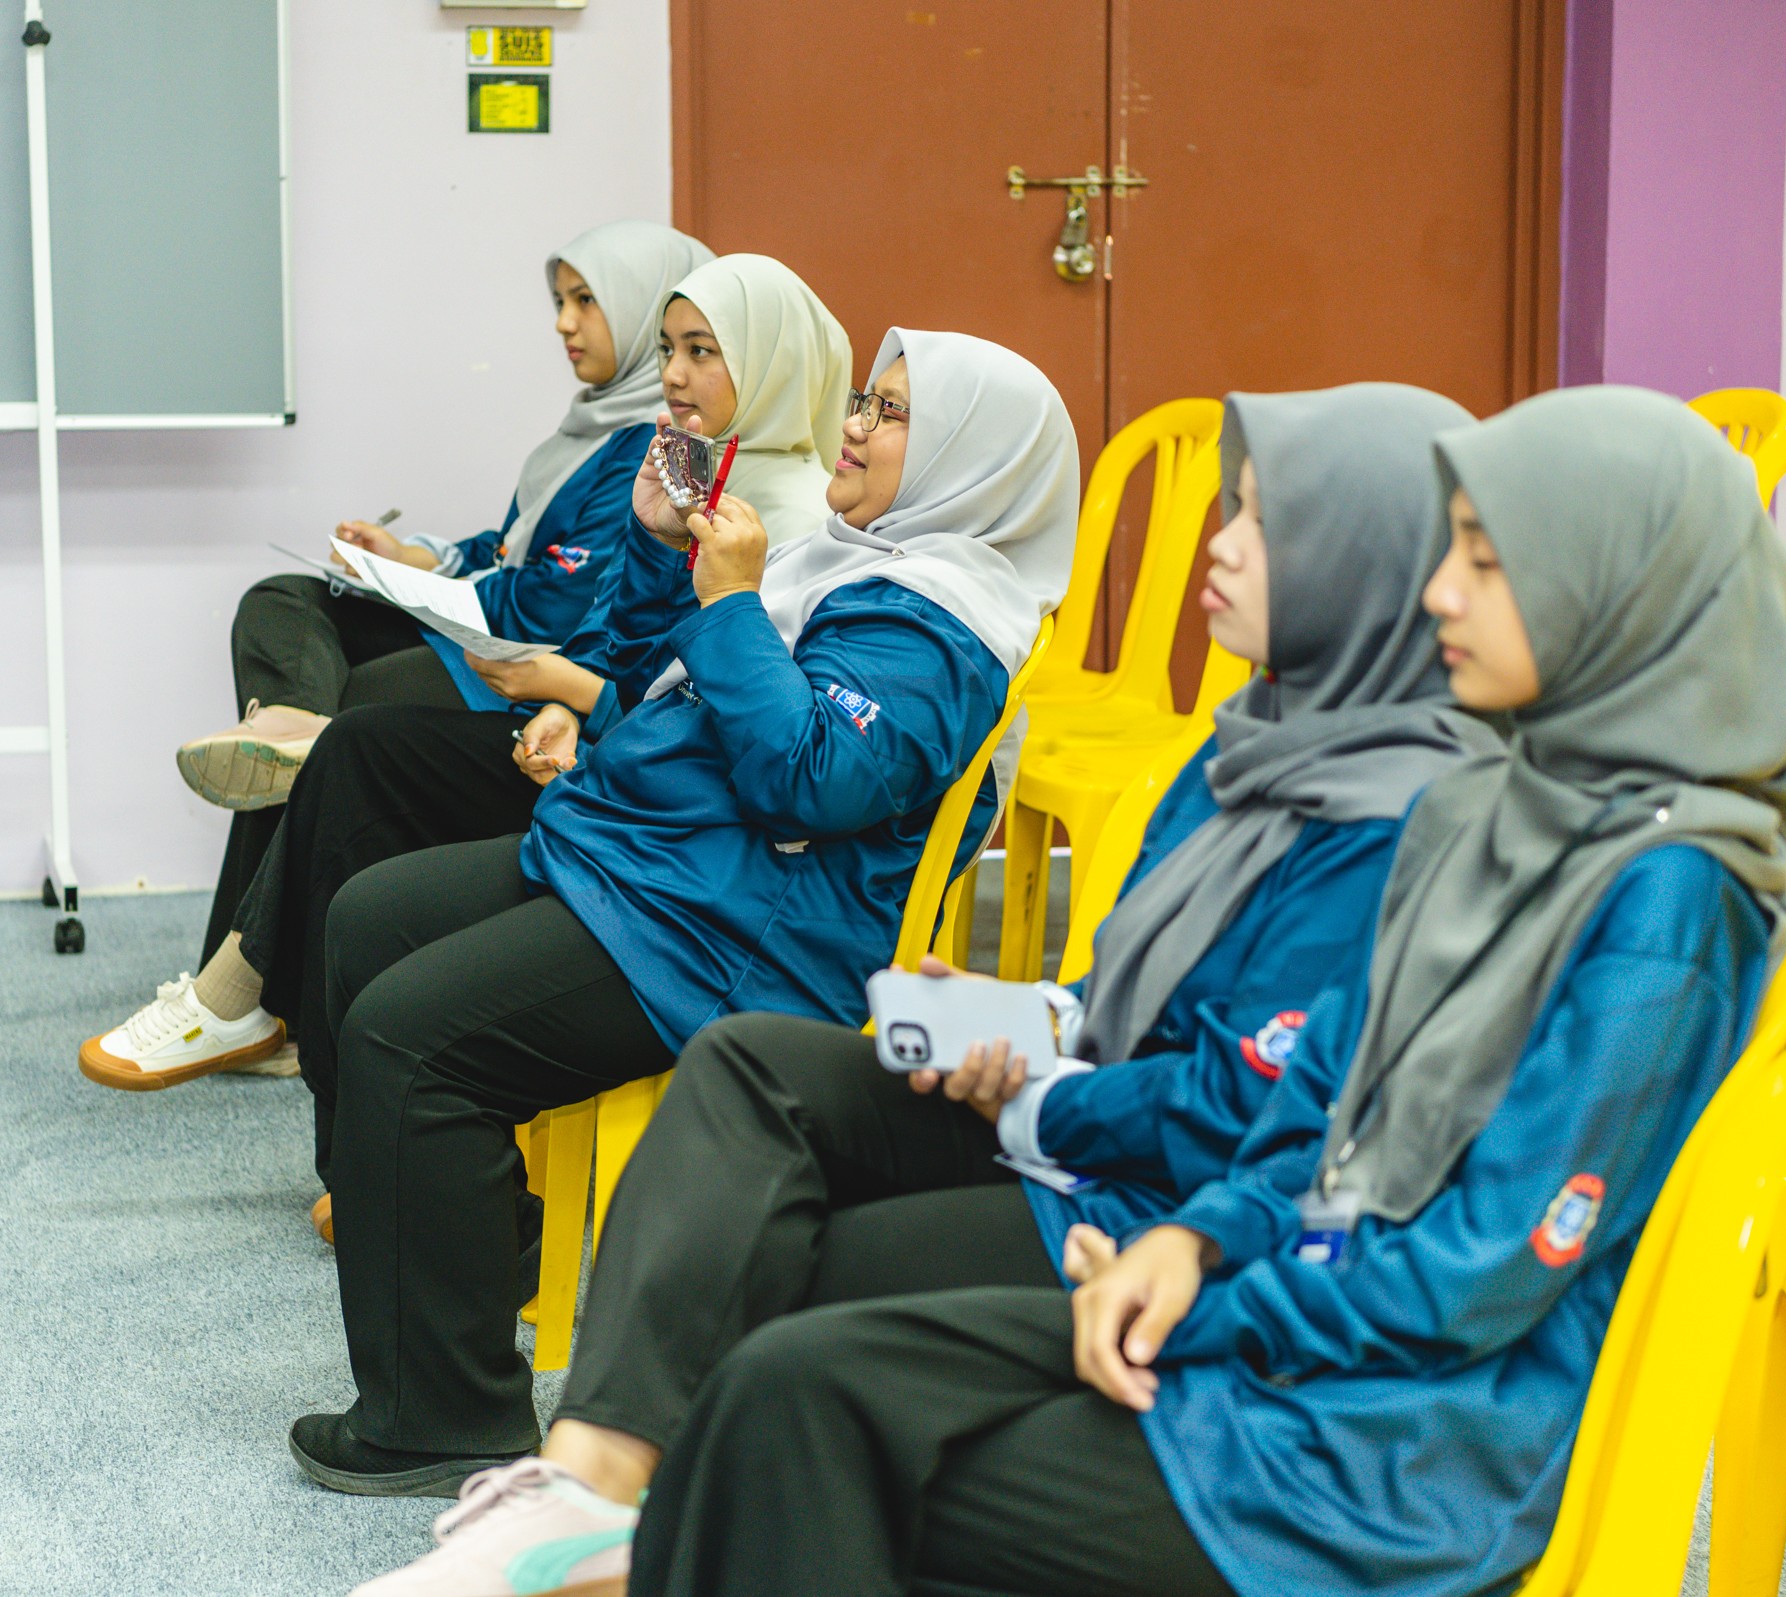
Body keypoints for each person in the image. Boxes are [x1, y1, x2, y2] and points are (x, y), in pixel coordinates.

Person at [374, 385, 1786, 1596]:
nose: (1443, 591)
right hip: (1253, 1312)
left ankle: (617, 1532)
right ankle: (601, 1509)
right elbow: (1322, 1111)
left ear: (1620, 594)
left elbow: (1475, 1268)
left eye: (1489, 562)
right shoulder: (1496, 811)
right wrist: (1192, 1240)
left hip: (1358, 1451)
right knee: (786, 1383)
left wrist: (1189, 1275)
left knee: (797, 1417)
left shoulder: (1666, 898)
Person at [288, 329, 1080, 1504]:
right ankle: (467, 1234)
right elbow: (674, 677)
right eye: (864, 399)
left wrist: (737, 602)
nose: (856, 424)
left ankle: (445, 1417)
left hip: (733, 933)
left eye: (894, 413)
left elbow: (807, 780)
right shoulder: (854, 558)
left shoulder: (944, 627)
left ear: (973, 457)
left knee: (408, 1039)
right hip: (658, 863)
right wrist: (671, 556)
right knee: (368, 919)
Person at [75, 255, 849, 1114]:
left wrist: (580, 694)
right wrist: (584, 668)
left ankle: (245, 1002)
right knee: (345, 734)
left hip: (655, 819)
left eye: (701, 351)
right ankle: (270, 1025)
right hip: (598, 755)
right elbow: (621, 645)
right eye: (667, 348)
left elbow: (716, 727)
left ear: (773, 362)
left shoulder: (797, 524)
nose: (671, 373)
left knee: (357, 749)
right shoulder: (692, 472)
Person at [172, 220, 709, 977]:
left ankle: (243, 987)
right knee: (282, 602)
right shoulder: (587, 426)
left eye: (587, 301)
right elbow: (514, 544)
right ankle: (290, 722)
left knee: (347, 726)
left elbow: (559, 600)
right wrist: (415, 555)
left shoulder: (656, 447)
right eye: (560, 301)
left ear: (639, 304)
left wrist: (431, 586)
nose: (564, 323)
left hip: (521, 659)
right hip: (477, 625)